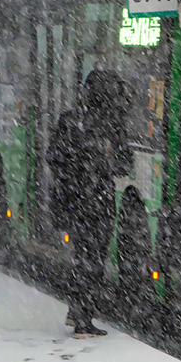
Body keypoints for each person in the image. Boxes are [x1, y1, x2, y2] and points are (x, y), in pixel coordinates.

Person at [48, 69, 134, 338]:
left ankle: (78, 312)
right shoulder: (109, 125)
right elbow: (124, 165)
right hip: (95, 201)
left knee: (83, 258)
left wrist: (75, 171)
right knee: (92, 260)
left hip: (76, 200)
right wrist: (97, 166)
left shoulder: (72, 120)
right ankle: (83, 318)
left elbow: (54, 157)